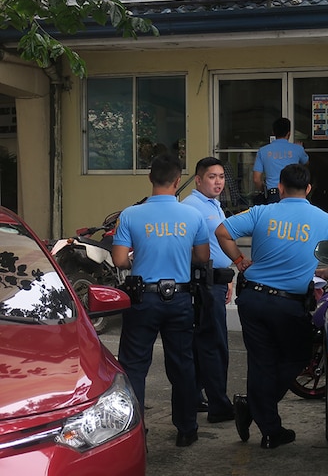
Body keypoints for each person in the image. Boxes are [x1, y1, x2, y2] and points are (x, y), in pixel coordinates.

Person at [215, 163, 328, 449]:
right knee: (298, 357)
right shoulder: (325, 220)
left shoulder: (262, 212)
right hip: (288, 305)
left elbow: (221, 231)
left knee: (261, 363)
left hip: (253, 299)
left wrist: (240, 260)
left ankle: (265, 422)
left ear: (281, 188)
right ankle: (262, 419)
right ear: (309, 189)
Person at [111, 153, 210, 448]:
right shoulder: (193, 216)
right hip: (180, 299)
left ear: (150, 178)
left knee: (134, 366)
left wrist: (138, 257)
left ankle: (135, 430)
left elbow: (119, 259)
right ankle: (186, 429)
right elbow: (203, 257)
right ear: (178, 181)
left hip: (143, 299)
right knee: (182, 365)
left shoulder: (130, 214)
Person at [181, 157, 237, 424]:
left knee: (203, 342)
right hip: (204, 282)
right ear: (199, 179)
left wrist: (226, 278)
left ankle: (195, 396)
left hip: (214, 279)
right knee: (214, 344)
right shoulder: (193, 207)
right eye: (212, 177)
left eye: (222, 177)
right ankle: (219, 405)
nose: (218, 182)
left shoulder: (211, 205)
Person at [253, 117, 309, 203]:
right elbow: (307, 165)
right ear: (289, 133)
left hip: (273, 194)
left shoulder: (263, 151)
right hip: (294, 192)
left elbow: (256, 179)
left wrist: (264, 190)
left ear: (273, 133)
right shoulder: (298, 149)